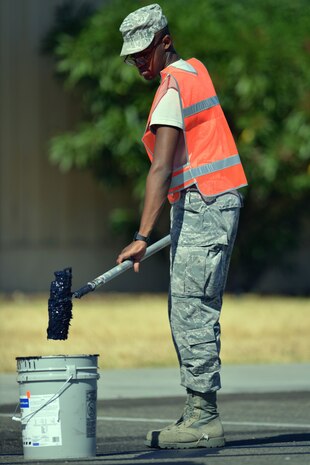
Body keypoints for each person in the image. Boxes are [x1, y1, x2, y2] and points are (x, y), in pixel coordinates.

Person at [117, 3, 247, 449]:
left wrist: (141, 237)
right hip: (205, 200)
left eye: (144, 51)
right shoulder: (193, 72)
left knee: (191, 308)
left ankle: (203, 418)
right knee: (187, 306)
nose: (138, 61)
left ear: (165, 42)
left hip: (206, 202)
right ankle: (196, 408)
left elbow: (161, 168)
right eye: (132, 55)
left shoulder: (173, 86)